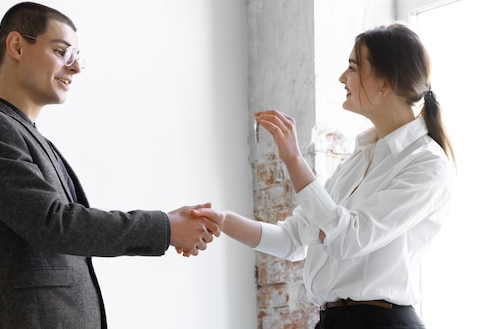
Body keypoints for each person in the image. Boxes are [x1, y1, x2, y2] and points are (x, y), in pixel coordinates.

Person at [0, 1, 220, 329]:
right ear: (16, 45)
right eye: (61, 52)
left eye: (77, 58)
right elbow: (53, 224)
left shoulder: (33, 139)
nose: (75, 68)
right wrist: (165, 228)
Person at [193, 23, 454, 329]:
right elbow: (292, 239)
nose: (342, 78)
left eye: (353, 68)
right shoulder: (359, 159)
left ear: (385, 83)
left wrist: (293, 158)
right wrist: (223, 221)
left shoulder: (427, 164)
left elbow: (346, 239)